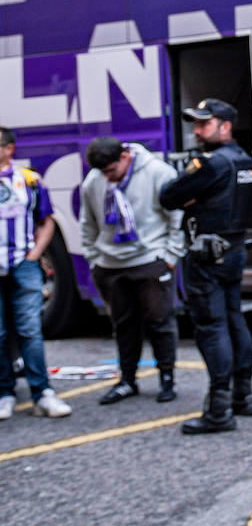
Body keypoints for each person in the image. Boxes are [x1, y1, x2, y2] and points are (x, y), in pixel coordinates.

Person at [159, 98, 252, 434]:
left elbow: (168, 195)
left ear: (225, 125)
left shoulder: (211, 164)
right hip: (233, 251)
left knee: (212, 327)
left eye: (204, 123)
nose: (197, 131)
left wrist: (192, 197)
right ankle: (243, 397)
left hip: (206, 256)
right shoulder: (244, 159)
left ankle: (218, 411)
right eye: (196, 124)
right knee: (234, 319)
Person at [80, 138, 185, 404]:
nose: (107, 177)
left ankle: (167, 378)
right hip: (110, 265)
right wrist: (94, 259)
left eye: (111, 171)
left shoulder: (158, 172)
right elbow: (88, 223)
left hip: (150, 260)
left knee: (160, 321)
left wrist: (170, 256)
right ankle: (127, 380)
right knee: (123, 325)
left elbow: (177, 217)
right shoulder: (94, 181)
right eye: (103, 173)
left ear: (125, 156)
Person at [0, 127, 72, 419]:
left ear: (10, 149)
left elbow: (46, 220)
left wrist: (35, 251)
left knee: (30, 329)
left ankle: (42, 392)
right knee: (0, 333)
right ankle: (5, 392)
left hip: (23, 264)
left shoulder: (28, 181)